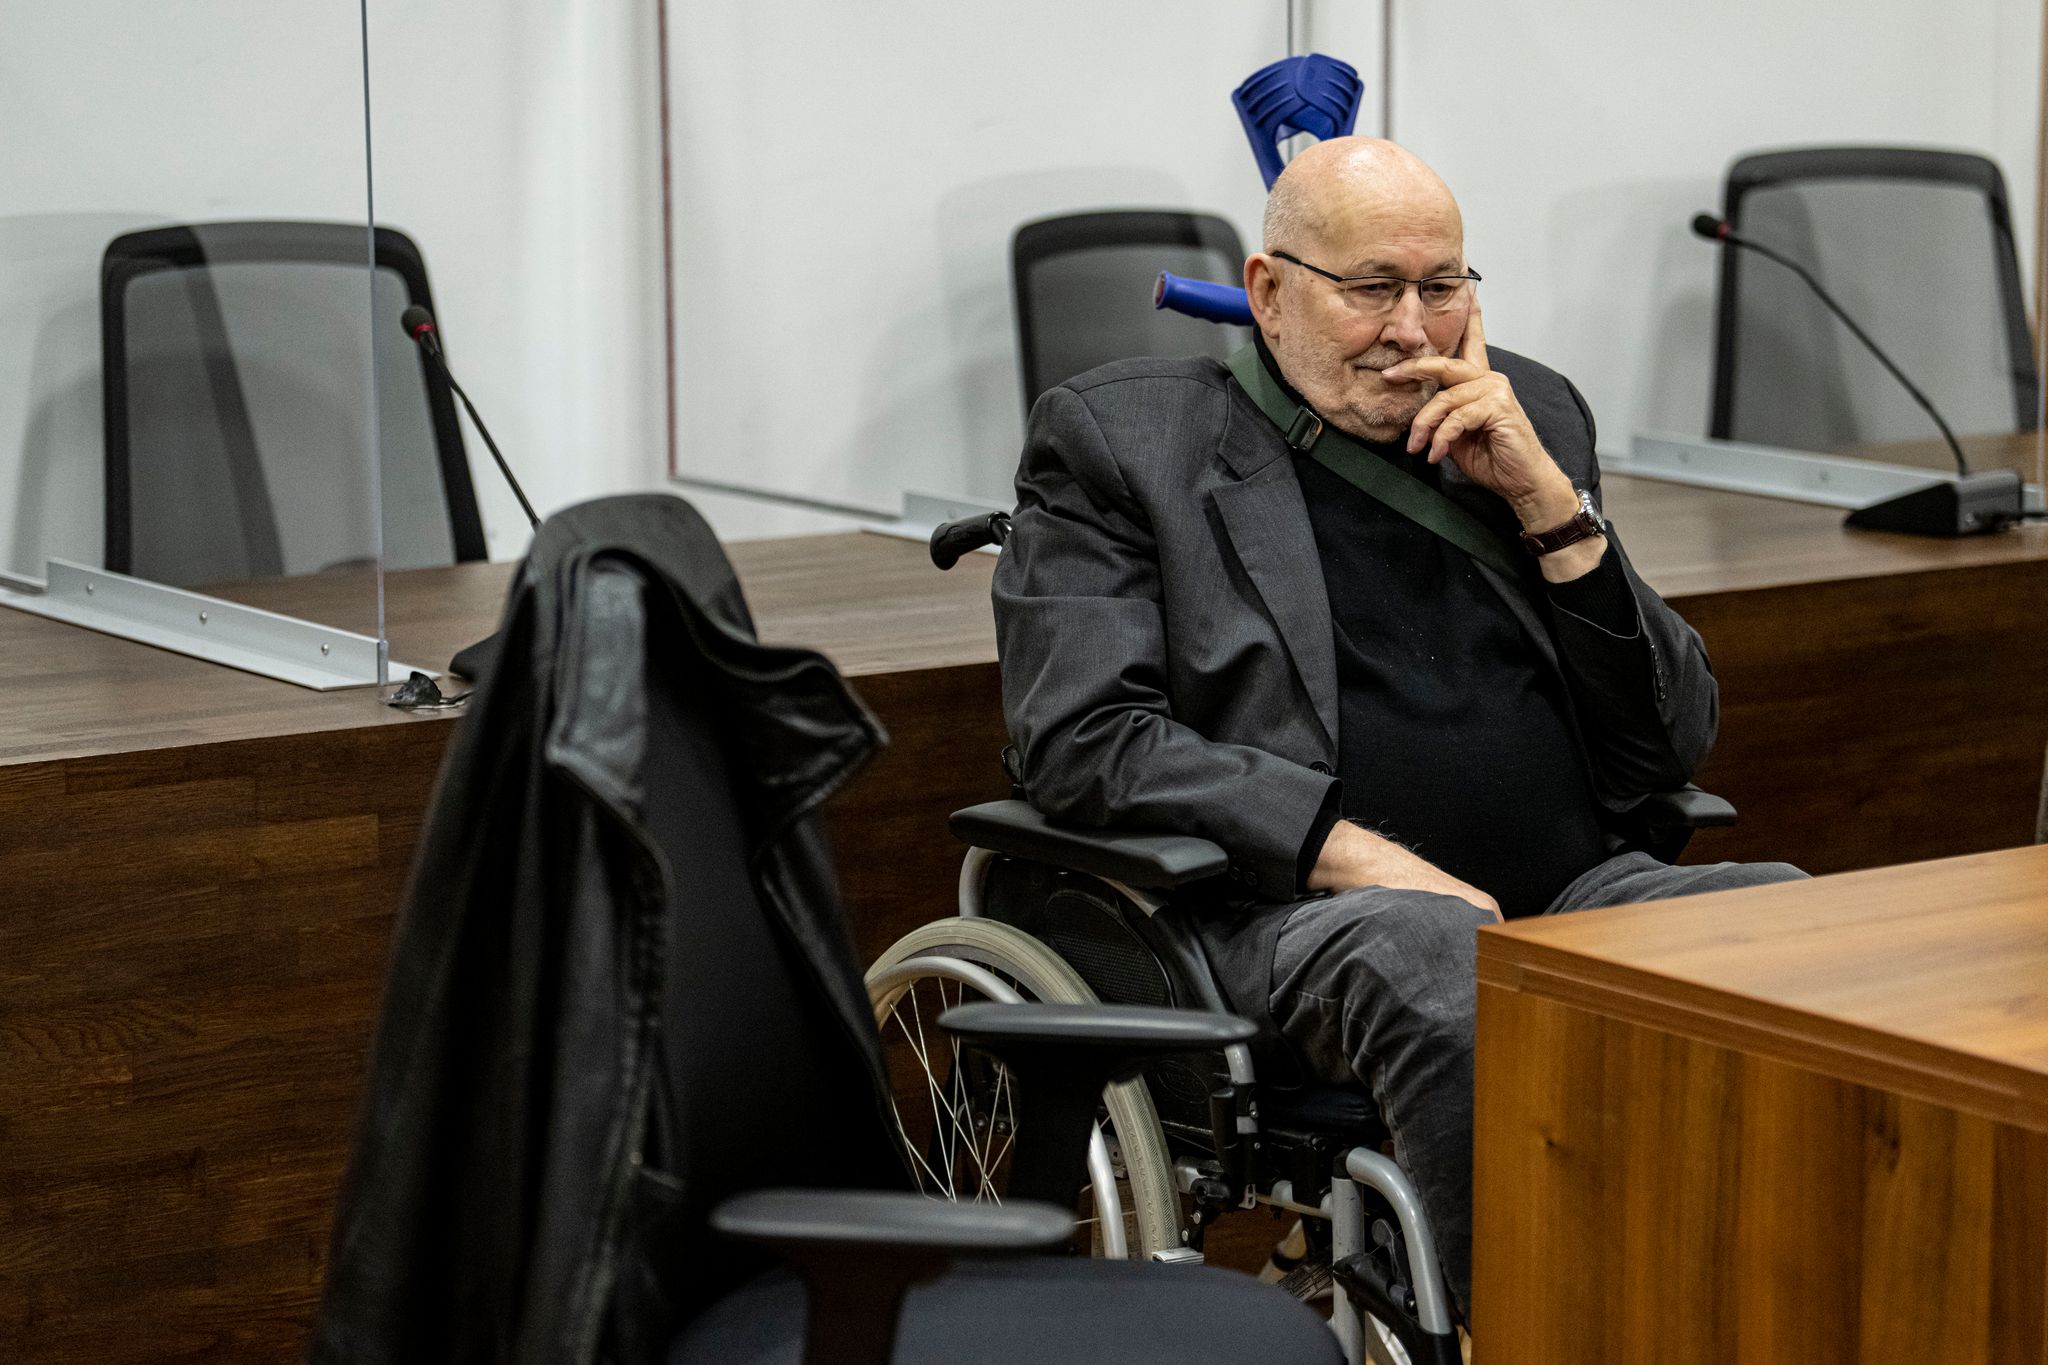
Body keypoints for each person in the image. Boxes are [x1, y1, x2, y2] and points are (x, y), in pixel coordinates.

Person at [990, 137, 1804, 1317]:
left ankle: (1764, 1305)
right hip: (1281, 919)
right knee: (1433, 955)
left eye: (1442, 285)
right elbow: (1083, 737)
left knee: (1789, 925)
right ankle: (1515, 1327)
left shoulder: (1531, 413)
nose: (1413, 330)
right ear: (1268, 291)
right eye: (1371, 288)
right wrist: (1350, 852)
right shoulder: (1124, 441)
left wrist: (1548, 508)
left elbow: (1667, 744)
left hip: (1568, 893)